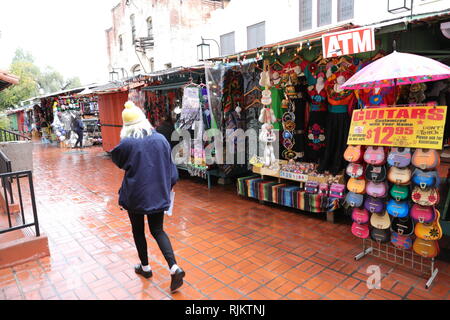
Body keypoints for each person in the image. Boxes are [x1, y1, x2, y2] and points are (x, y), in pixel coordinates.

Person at [111, 101, 185, 293]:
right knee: (158, 230)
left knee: (138, 230)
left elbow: (117, 159)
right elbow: (172, 173)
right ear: (144, 121)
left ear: (127, 125)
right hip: (158, 194)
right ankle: (174, 267)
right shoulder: (160, 139)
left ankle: (146, 268)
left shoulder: (127, 143)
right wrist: (166, 188)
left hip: (135, 195)